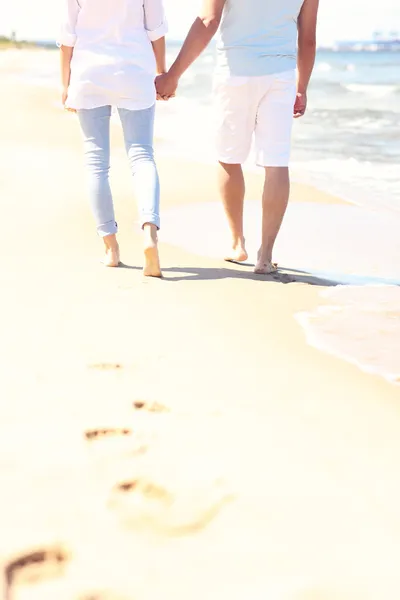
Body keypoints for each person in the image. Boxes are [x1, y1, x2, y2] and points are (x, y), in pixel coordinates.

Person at [156, 0, 319, 274]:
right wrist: (301, 87)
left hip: (234, 72)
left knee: (229, 157)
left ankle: (237, 243)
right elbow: (308, 39)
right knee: (276, 163)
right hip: (280, 76)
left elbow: (208, 21)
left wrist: (173, 75)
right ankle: (265, 256)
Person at [58, 0, 168, 277]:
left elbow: (67, 36)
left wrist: (65, 84)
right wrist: (162, 72)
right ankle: (149, 237)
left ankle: (111, 249)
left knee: (96, 162)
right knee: (142, 155)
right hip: (134, 72)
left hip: (90, 74)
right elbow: (156, 30)